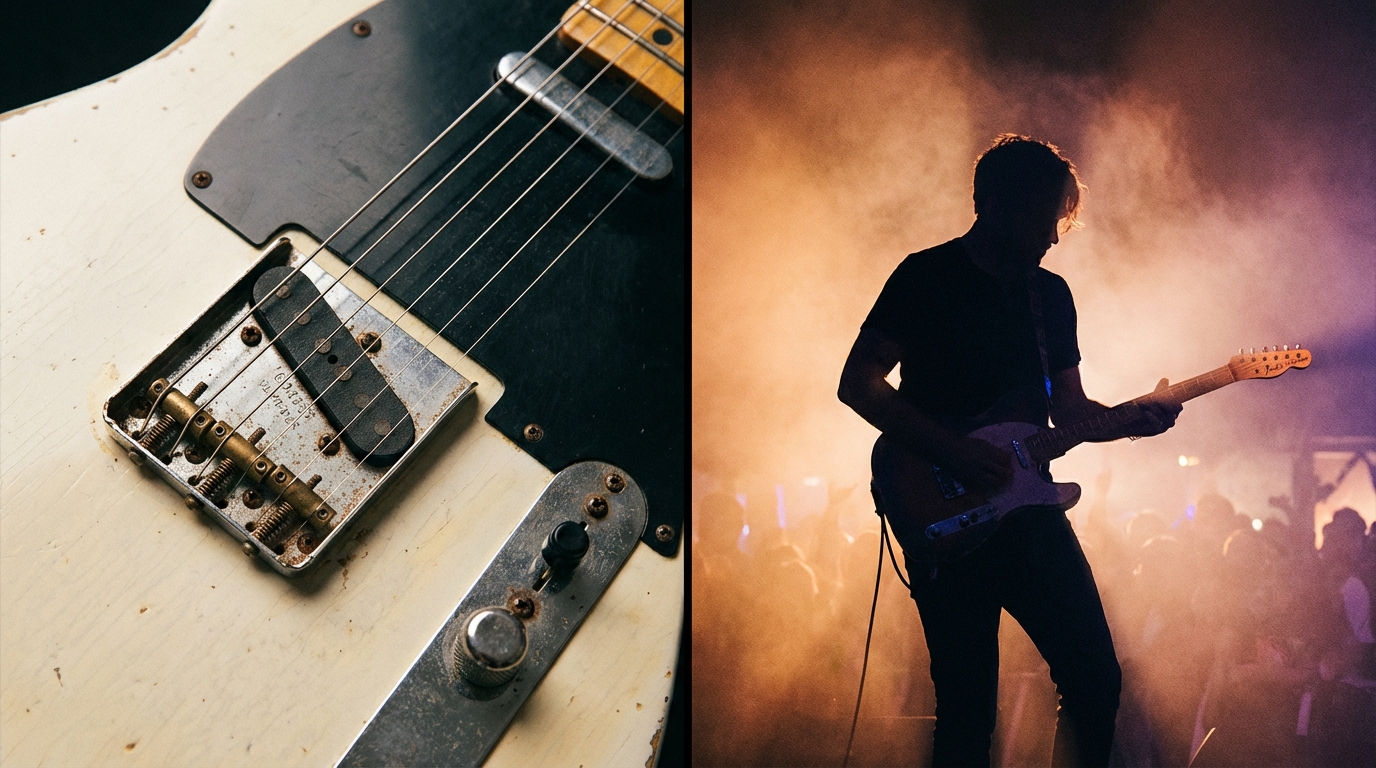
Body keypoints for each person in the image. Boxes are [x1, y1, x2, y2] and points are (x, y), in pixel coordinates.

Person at [837, 135, 1183, 767]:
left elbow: (1069, 413)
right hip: (945, 513)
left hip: (1028, 514)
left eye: (1059, 220)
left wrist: (1133, 422)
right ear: (993, 205)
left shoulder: (1050, 297)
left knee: (1095, 679)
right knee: (967, 710)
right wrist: (955, 451)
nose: (1053, 237)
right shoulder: (925, 277)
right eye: (1043, 218)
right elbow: (857, 383)